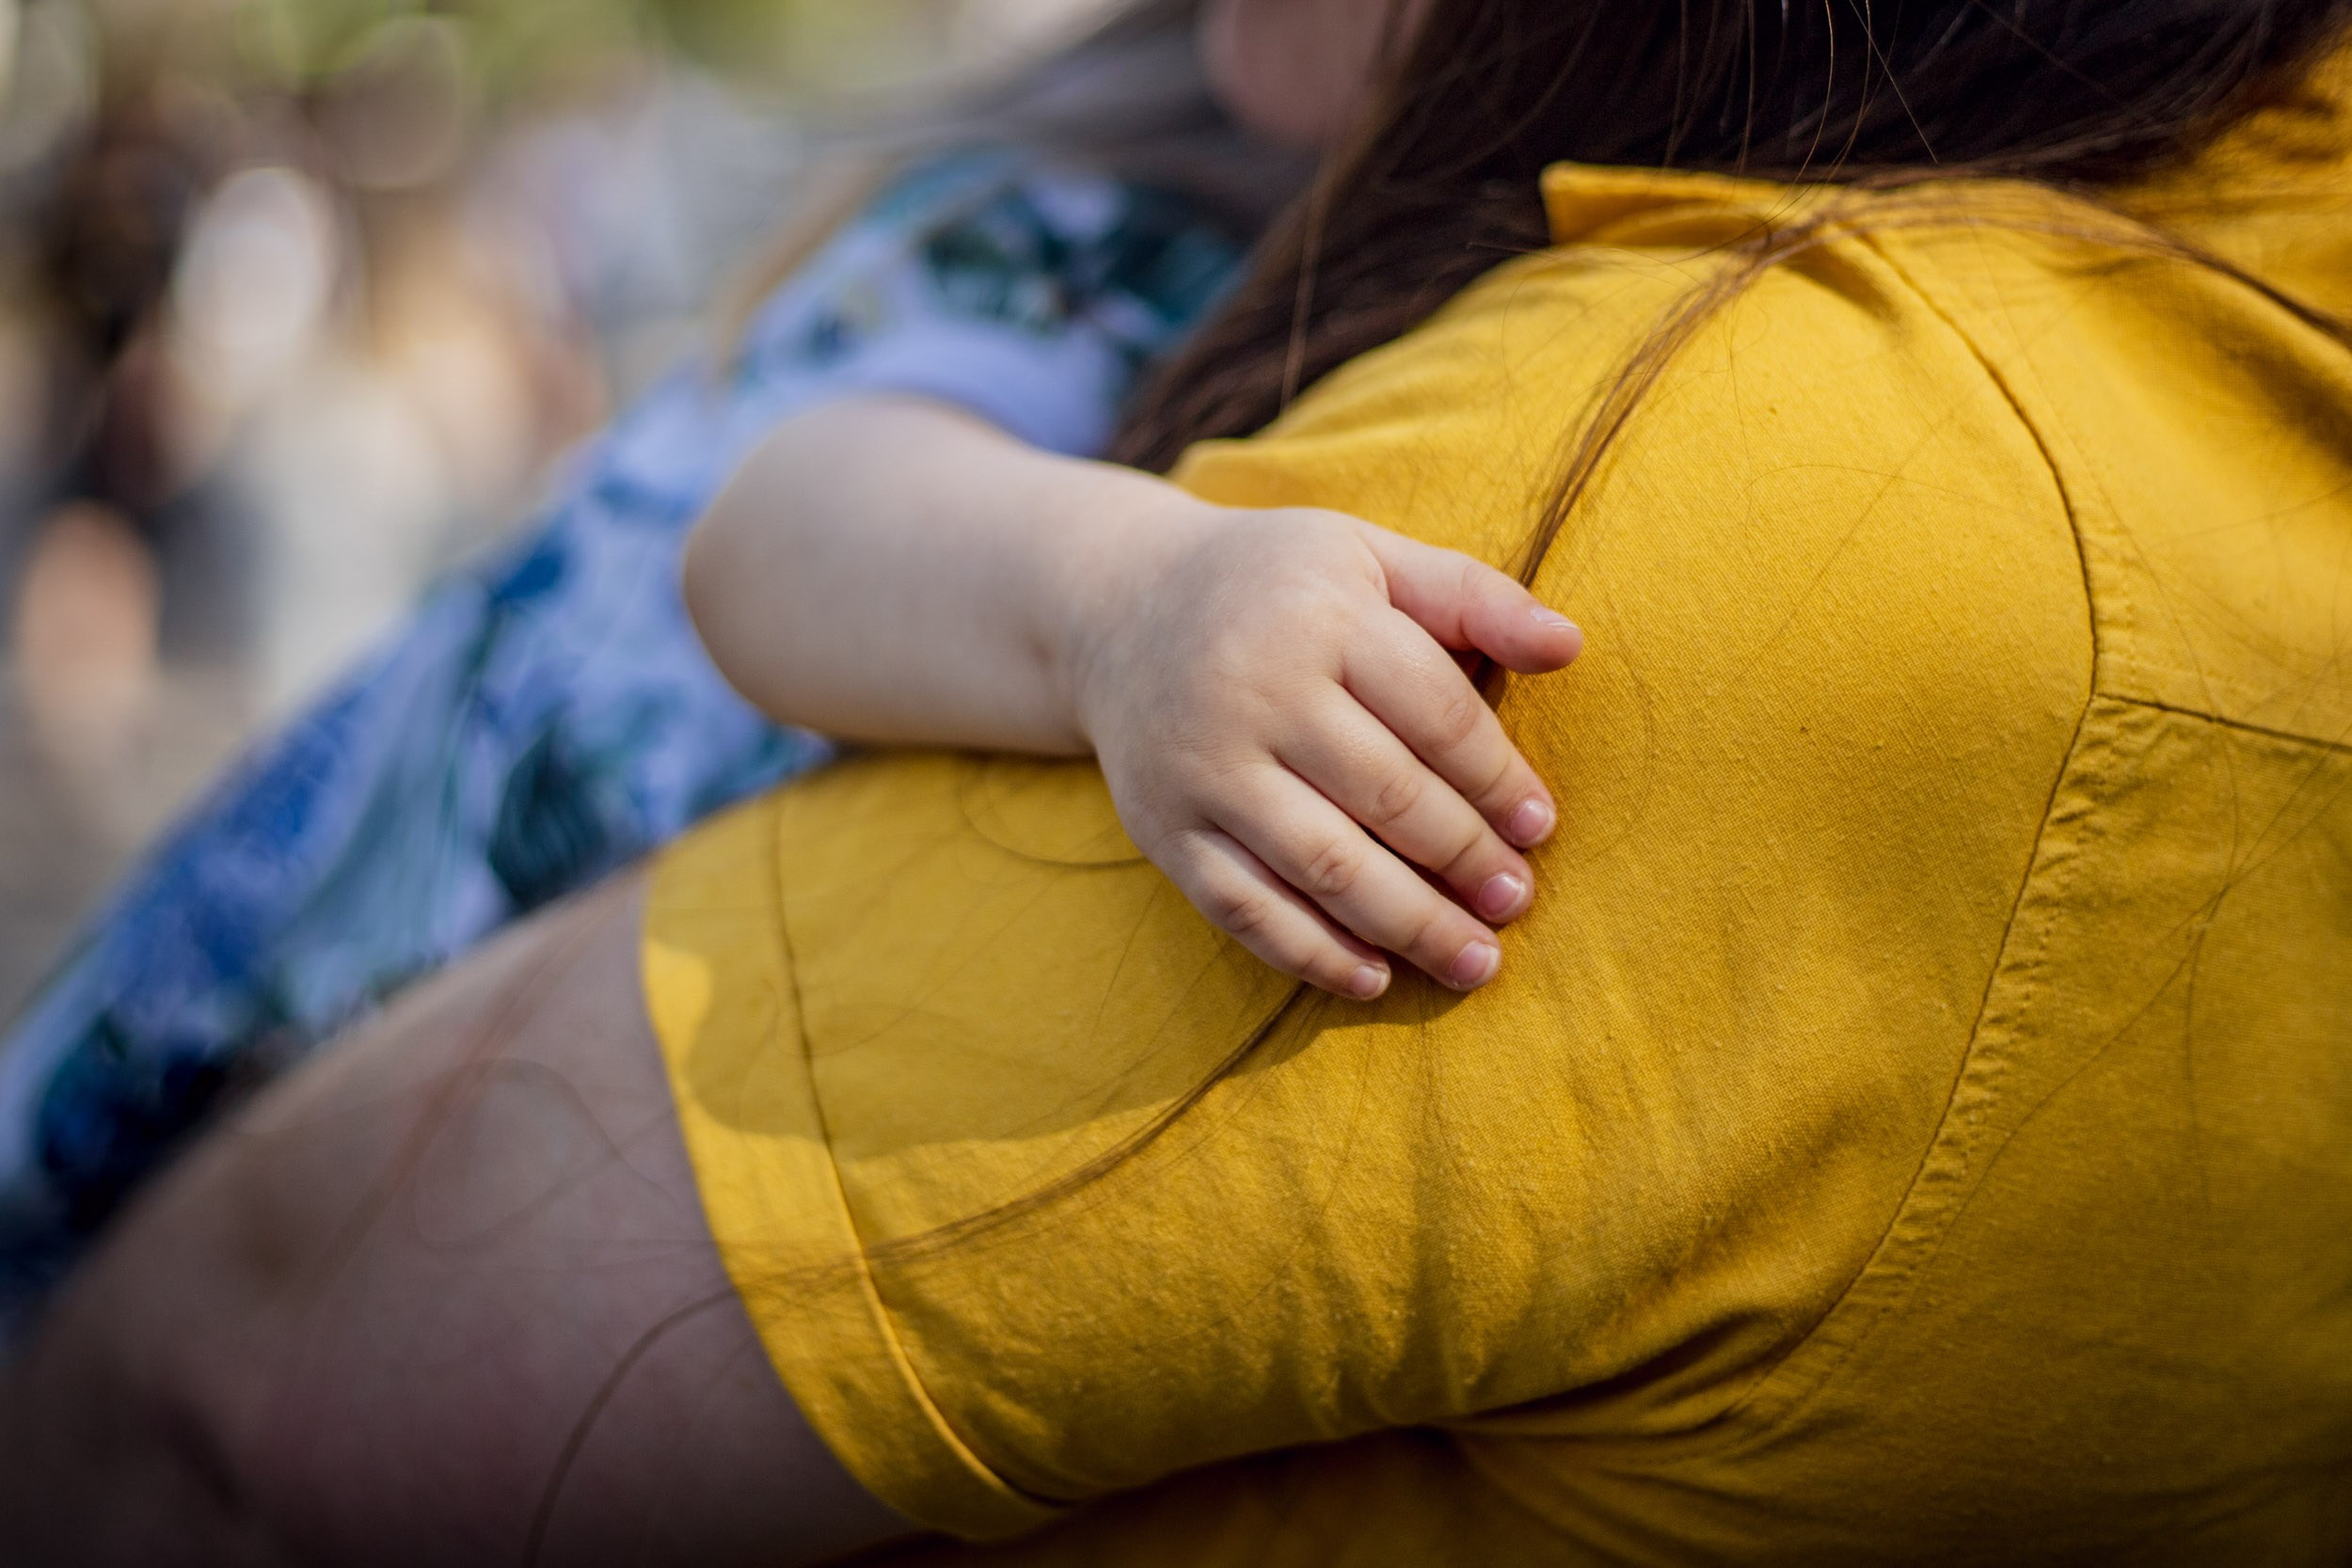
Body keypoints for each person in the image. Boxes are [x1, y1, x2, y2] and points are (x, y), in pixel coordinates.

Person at [8, 0, 2352, 1562]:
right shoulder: (1090, 249)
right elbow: (767, 539)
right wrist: (1122, 605)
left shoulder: (1594, 321)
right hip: (259, 1053)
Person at [0, 0, 1279, 1331]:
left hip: (434, 1032)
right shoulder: (1126, 220)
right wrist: (1133, 605)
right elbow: (770, 540)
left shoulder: (1178, 235)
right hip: (334, 947)